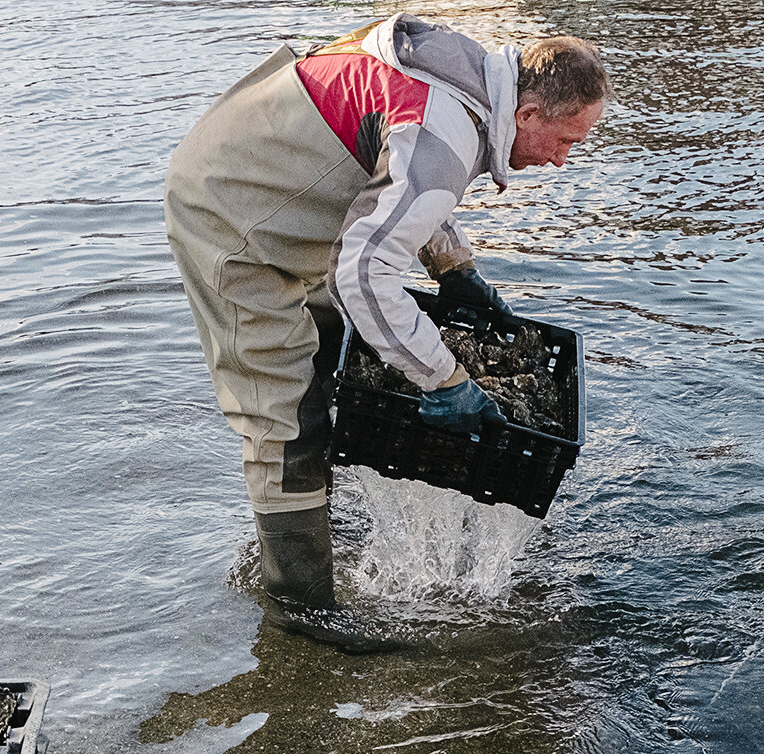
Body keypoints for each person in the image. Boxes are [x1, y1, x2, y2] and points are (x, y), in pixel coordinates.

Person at [166, 16, 608, 649]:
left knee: (329, 353)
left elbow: (398, 186)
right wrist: (444, 379)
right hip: (233, 218)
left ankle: (305, 521)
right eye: (566, 140)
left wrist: (454, 272)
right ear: (531, 111)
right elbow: (364, 274)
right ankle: (302, 616)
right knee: (286, 415)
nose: (562, 159)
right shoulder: (446, 131)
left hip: (278, 182)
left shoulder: (470, 81)